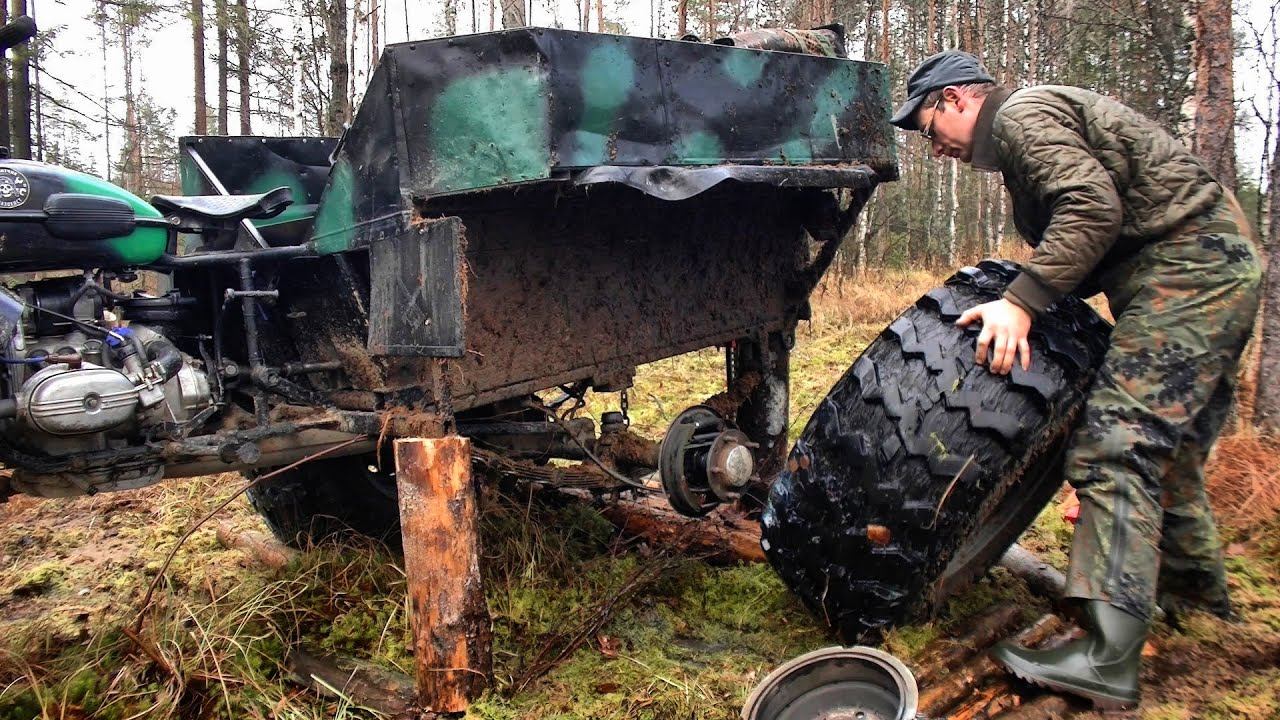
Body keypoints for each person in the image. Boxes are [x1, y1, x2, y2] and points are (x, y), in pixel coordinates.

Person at [889, 51, 1261, 710]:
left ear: (953, 100)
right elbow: (1090, 239)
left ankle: (1106, 656)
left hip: (1189, 269)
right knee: (1164, 454)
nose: (933, 147)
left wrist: (1022, 301)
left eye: (926, 126)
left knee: (1117, 444)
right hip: (1208, 266)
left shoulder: (1023, 117)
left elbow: (1092, 209)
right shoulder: (1023, 141)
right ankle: (1193, 599)